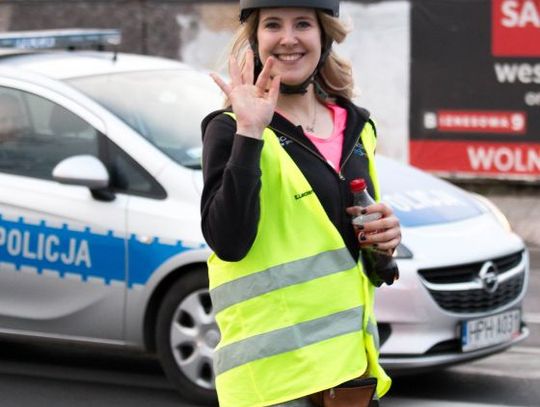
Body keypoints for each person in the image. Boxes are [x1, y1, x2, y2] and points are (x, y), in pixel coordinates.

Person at [200, 0, 401, 406]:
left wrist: (384, 242)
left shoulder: (358, 127)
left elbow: (352, 252)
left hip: (348, 374)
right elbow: (229, 242)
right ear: (256, 39)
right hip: (274, 385)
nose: (288, 38)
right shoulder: (230, 130)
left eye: (303, 24)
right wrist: (250, 132)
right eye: (273, 24)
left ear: (324, 36)